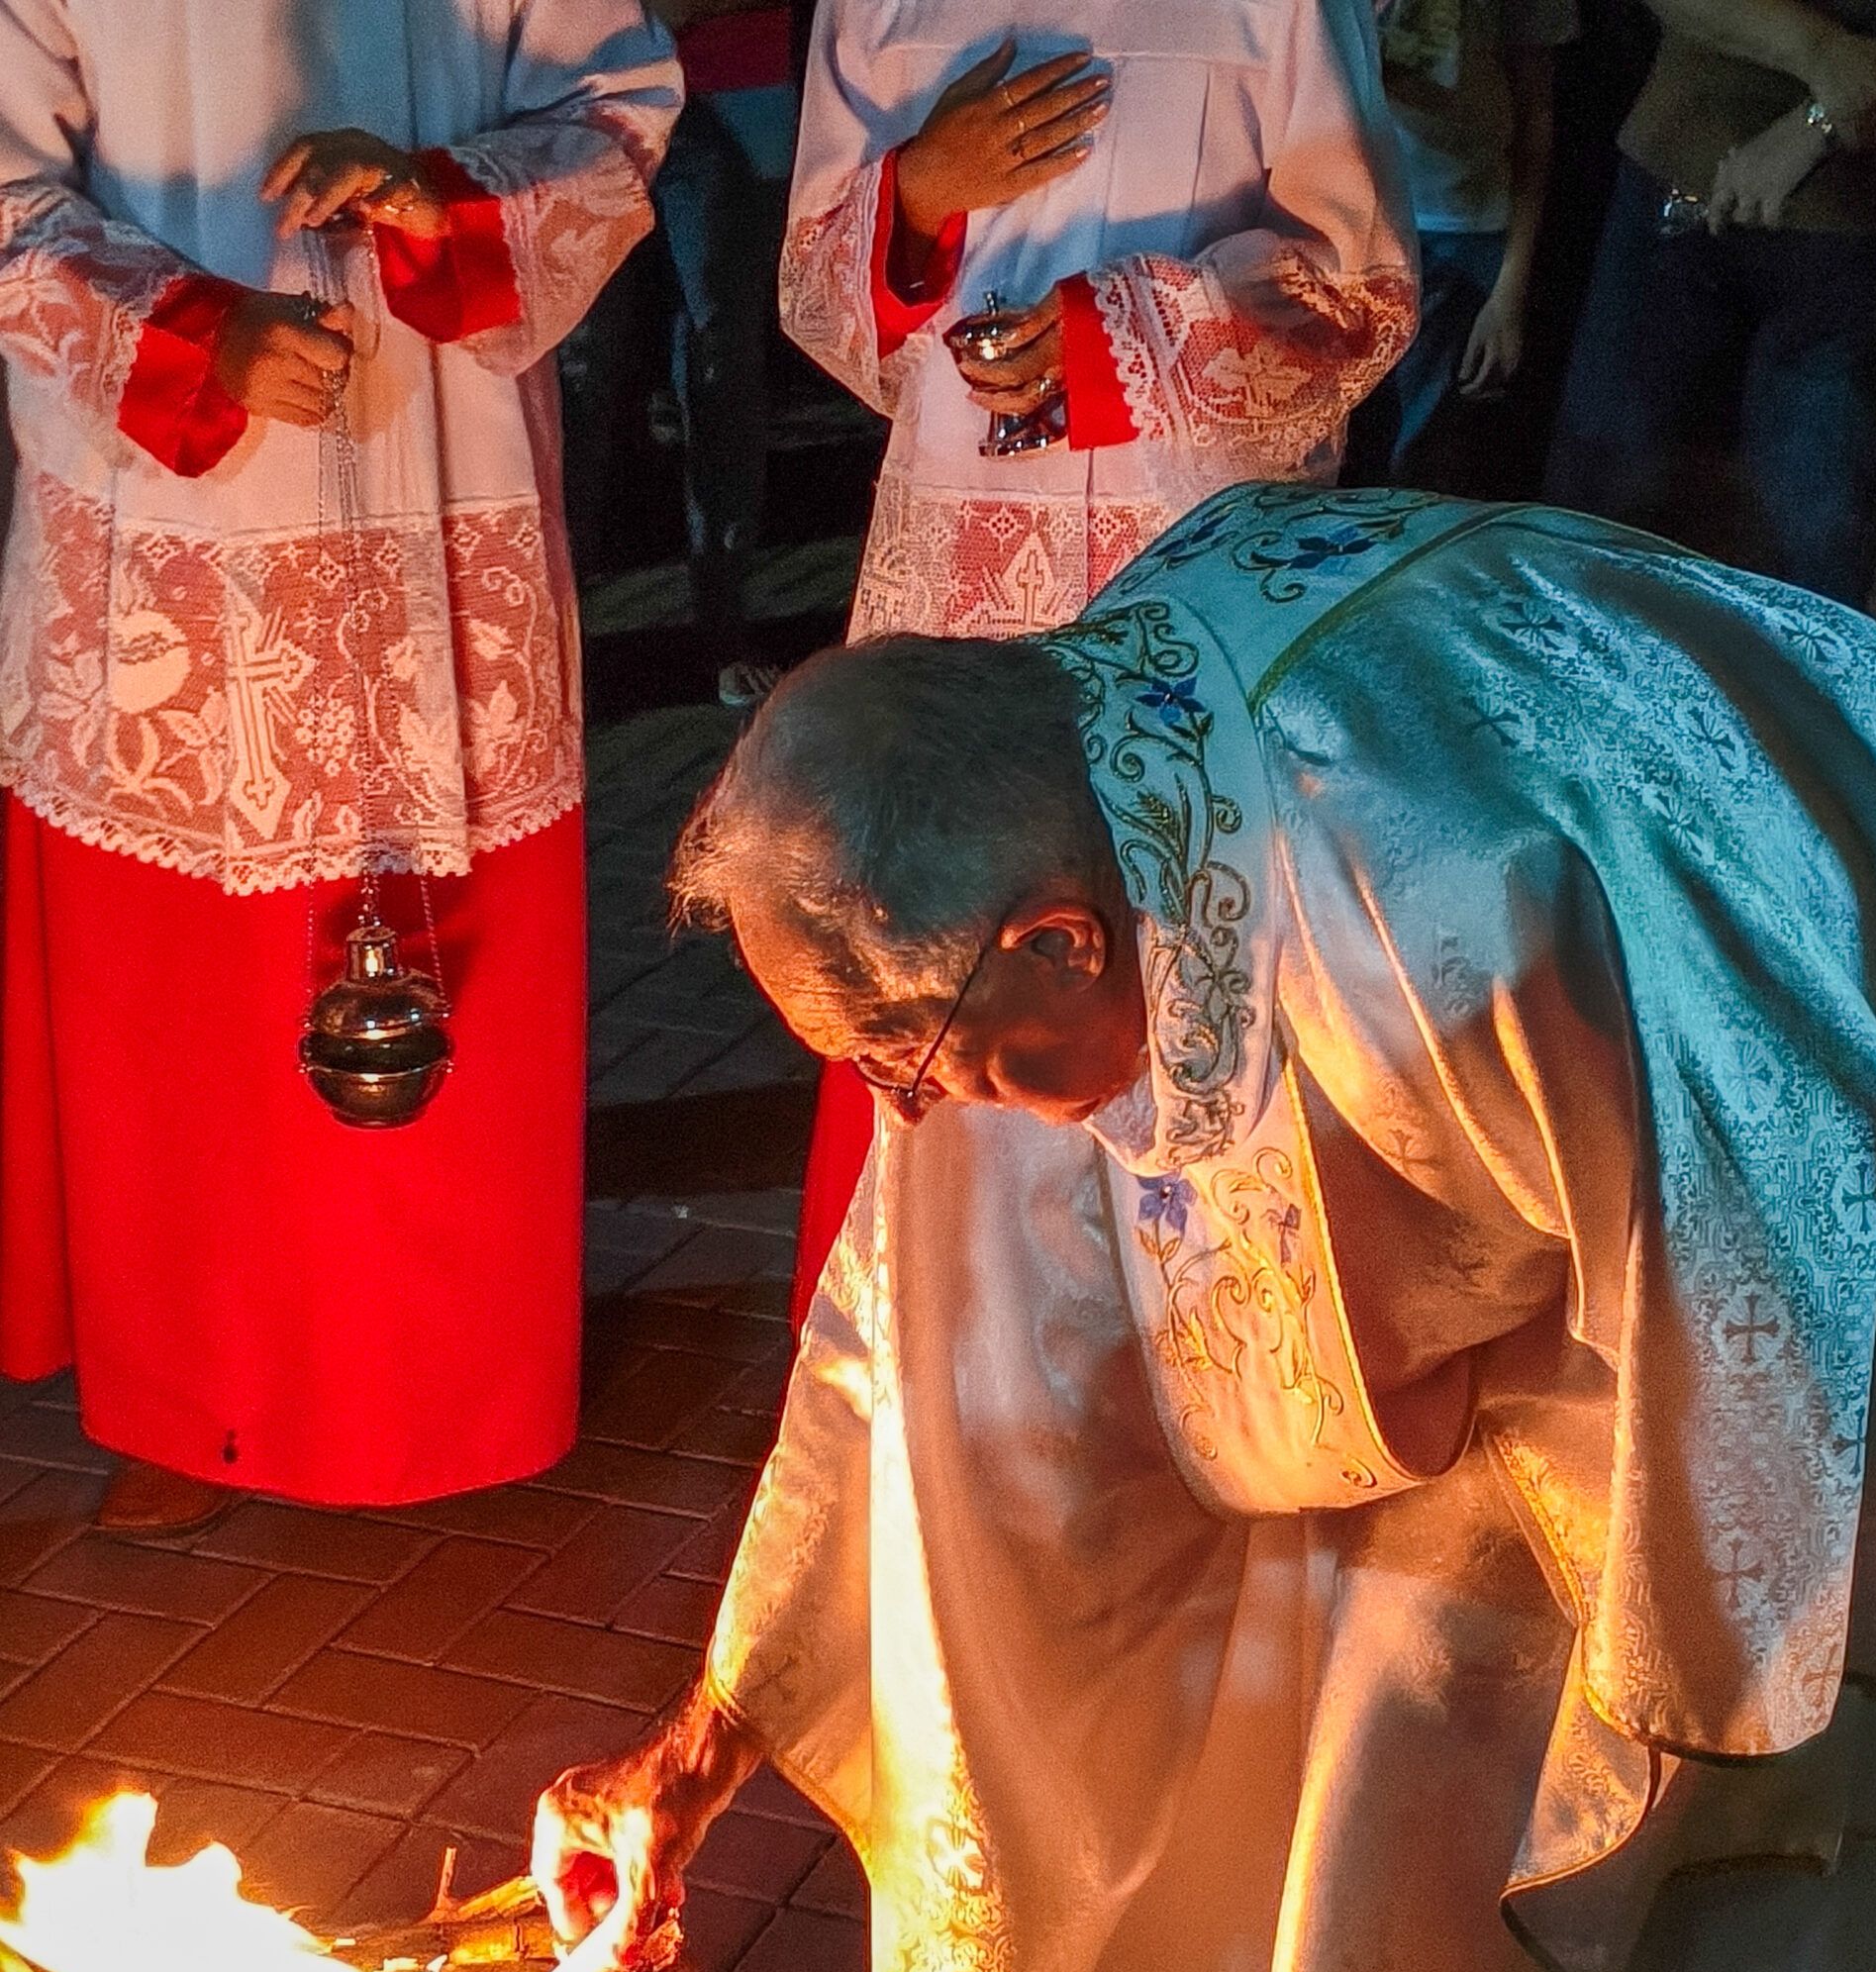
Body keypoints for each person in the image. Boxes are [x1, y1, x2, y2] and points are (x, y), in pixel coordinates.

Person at [537, 475, 1876, 1972]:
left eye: (919, 1067)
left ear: (1062, 941)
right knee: (1098, 1374)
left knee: (1452, 1637)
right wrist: (702, 1742)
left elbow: (1745, 1262)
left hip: (1752, 1081)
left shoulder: (1463, 914)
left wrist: (1684, 1629)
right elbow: (916, 1367)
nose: (914, 1121)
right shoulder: (1044, 814)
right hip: (1508, 1108)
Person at [0, 2, 682, 1528]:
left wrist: (446, 202)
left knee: (458, 976)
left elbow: (620, 107)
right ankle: (195, 1403)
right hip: (173, 504)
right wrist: (193, 337)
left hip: (444, 466)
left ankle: (452, 1386)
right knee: (183, 1016)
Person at [779, 0, 1418, 1323]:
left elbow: (1360, 292)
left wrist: (1118, 340)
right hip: (959, 576)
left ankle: (1234, 1371)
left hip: (1183, 564)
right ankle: (952, 1377)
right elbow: (820, 299)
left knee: (1191, 949)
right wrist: (919, 201)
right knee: (936, 943)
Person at [1544, 0, 1876, 605]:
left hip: (1855, 236)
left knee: (1813, 571)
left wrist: (1814, 124)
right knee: (1596, 531)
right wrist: (1824, 59)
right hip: (1681, 178)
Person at [1345, 0, 1576, 492]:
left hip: (1462, 236)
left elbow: (1536, 114)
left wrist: (1508, 294)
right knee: (1336, 447)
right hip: (1347, 223)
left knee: (1417, 461)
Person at [648, 0, 800, 690]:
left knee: (721, 365)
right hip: (580, 98)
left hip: (736, 93)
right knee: (580, 379)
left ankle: (723, 628)